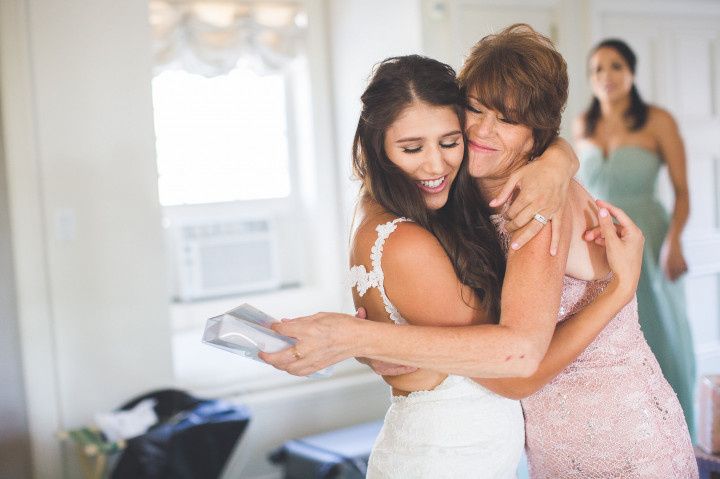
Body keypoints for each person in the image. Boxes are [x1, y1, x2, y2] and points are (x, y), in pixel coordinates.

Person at [263, 26, 697, 477]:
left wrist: (620, 288)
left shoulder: (538, 200)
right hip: (545, 444)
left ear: (537, 133)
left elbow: (519, 367)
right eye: (475, 109)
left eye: (508, 120)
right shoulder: (459, 183)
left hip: (620, 435)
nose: (484, 131)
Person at [574, 38, 696, 438]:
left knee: (659, 327)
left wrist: (674, 243)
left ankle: (676, 430)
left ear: (631, 73)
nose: (605, 76)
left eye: (615, 66)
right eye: (597, 69)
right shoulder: (582, 124)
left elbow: (682, 191)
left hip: (649, 236)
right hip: (598, 240)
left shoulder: (658, 121)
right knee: (604, 331)